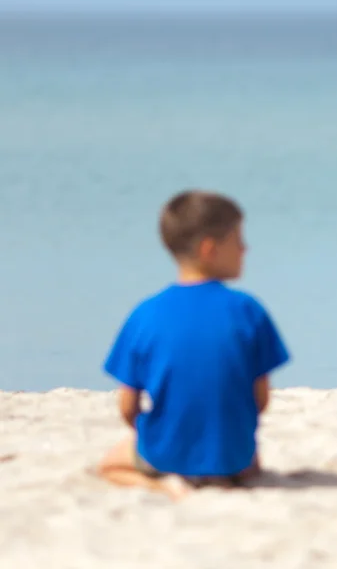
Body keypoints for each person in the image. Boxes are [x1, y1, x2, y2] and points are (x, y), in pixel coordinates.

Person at [96, 189, 290, 499]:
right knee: (249, 461)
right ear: (209, 249)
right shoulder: (248, 310)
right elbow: (261, 400)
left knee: (109, 465)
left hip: (166, 450)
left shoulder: (144, 314)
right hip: (232, 453)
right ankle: (224, 474)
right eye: (238, 241)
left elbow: (127, 407)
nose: (246, 249)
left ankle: (161, 486)